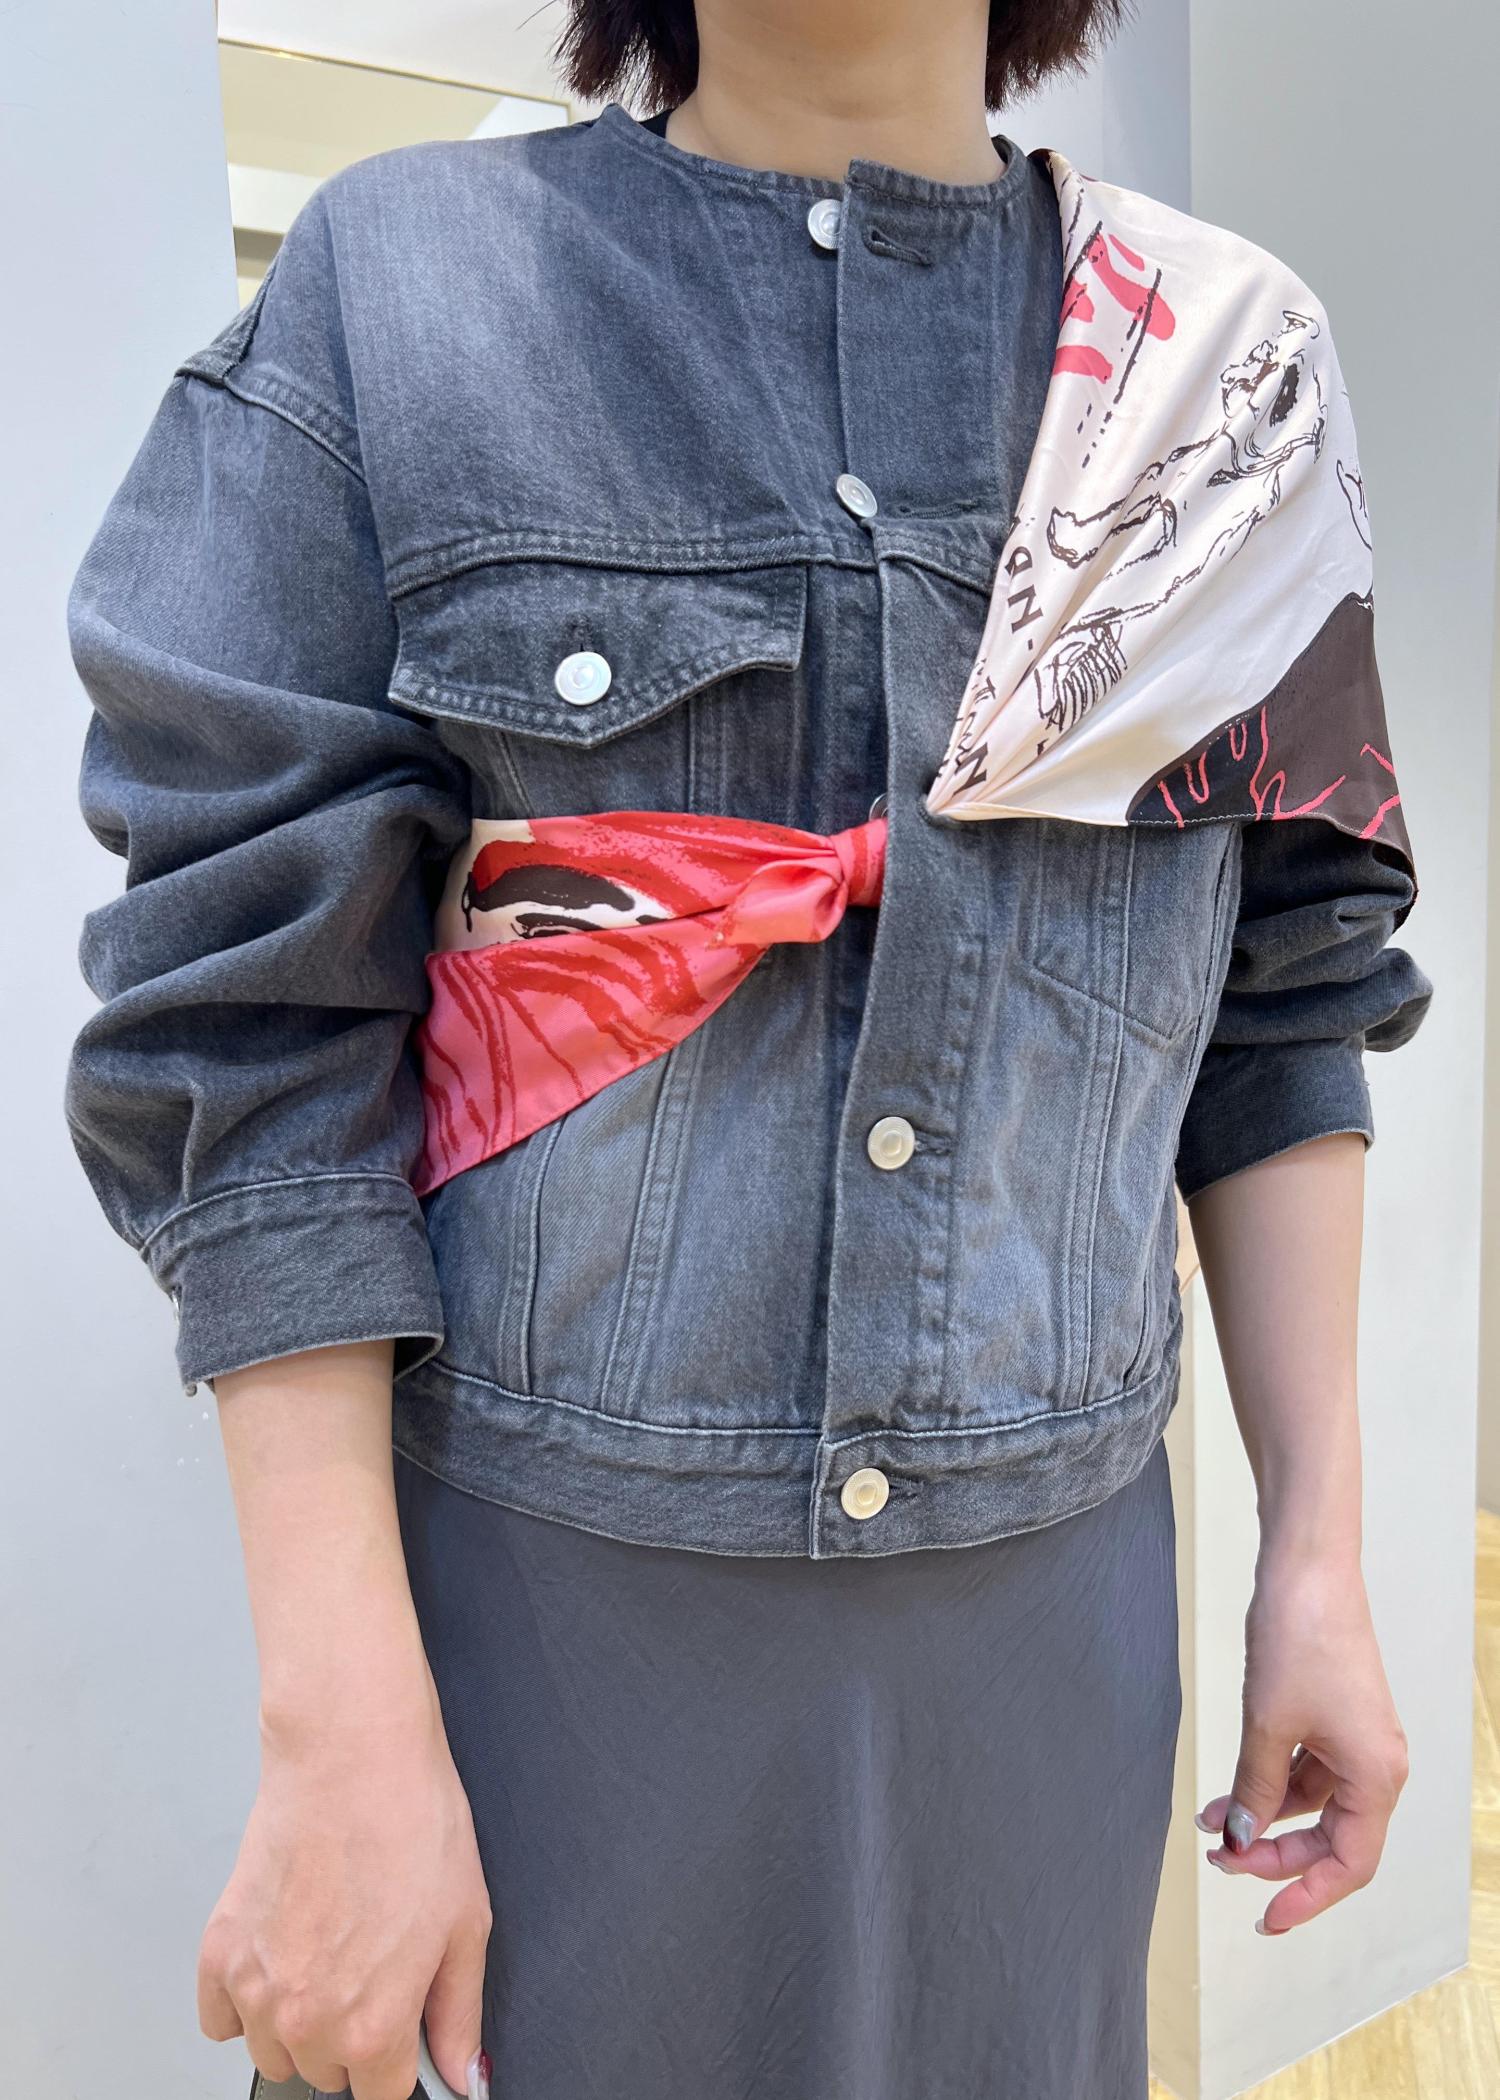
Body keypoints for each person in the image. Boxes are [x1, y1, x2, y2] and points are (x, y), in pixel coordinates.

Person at [63, 4, 1434, 2097]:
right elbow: (253, 1030)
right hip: (540, 1631)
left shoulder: (1224, 365)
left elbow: (1285, 993)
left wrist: (1317, 1554)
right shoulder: (401, 289)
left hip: (1046, 1632)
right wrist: (338, 1730)